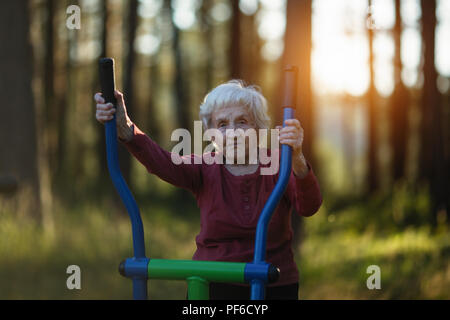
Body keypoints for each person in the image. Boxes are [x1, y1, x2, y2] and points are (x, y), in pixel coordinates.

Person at [94, 80, 322, 300]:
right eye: (222, 125)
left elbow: (309, 206)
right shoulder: (204, 166)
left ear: (259, 128)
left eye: (242, 122)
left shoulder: (280, 164)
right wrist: (125, 128)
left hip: (273, 282)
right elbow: (162, 162)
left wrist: (298, 159)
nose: (232, 132)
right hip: (213, 282)